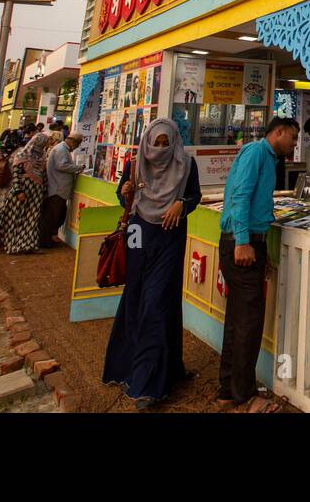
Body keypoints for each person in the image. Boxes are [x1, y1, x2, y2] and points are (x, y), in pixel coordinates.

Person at [103, 119, 202, 410]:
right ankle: (128, 369)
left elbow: (194, 195)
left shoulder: (186, 164)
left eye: (165, 143)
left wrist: (182, 204)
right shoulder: (135, 164)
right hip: (138, 236)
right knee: (135, 299)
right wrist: (125, 193)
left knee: (157, 303)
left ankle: (148, 384)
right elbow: (124, 197)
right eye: (156, 143)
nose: (160, 149)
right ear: (147, 141)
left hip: (170, 237)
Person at [216, 117, 299, 411]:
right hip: (242, 243)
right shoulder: (255, 153)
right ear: (278, 132)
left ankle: (228, 390)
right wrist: (242, 241)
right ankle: (245, 395)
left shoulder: (268, 158)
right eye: (292, 137)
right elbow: (240, 196)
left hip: (251, 242)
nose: (294, 143)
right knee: (249, 322)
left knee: (238, 320)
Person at [0, 132, 55, 254]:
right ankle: (12, 245)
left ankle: (28, 244)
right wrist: (19, 190)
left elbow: (43, 175)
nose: (45, 144)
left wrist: (43, 190)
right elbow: (16, 175)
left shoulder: (41, 156)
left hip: (36, 193)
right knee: (14, 217)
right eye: (44, 142)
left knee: (31, 219)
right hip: (22, 191)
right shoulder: (23, 155)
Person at [42, 132, 84, 248]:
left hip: (59, 188)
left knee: (57, 215)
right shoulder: (61, 150)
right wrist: (77, 167)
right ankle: (45, 241)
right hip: (57, 188)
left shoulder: (61, 149)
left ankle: (49, 238)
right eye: (78, 144)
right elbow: (61, 166)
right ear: (73, 141)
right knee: (52, 216)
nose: (77, 147)